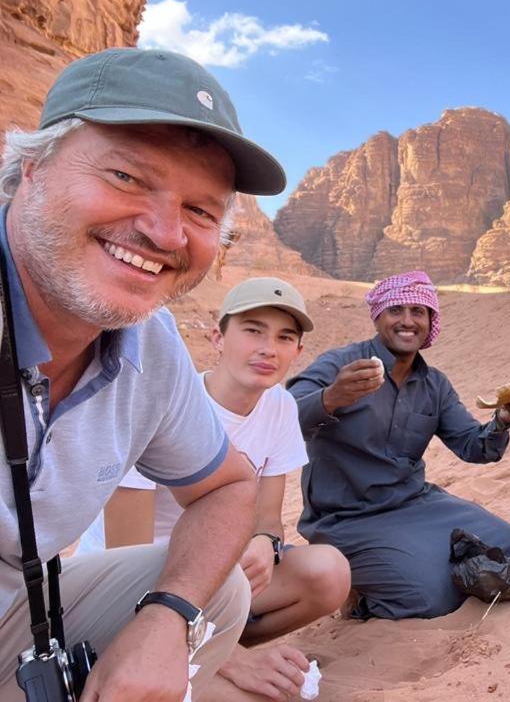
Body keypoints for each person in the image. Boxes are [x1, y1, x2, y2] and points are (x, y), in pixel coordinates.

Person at [0, 47, 286, 700]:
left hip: (20, 617)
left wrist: (169, 615)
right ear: (34, 167)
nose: (164, 232)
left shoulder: (147, 343)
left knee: (222, 593)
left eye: (201, 211)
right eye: (127, 177)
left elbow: (227, 488)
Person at [78, 277, 351, 702]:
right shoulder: (169, 402)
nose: (267, 348)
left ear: (298, 352)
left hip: (215, 568)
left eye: (284, 337)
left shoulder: (279, 405)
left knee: (329, 572)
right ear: (218, 337)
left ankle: (203, 652)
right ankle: (201, 655)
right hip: (138, 584)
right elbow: (125, 552)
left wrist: (264, 541)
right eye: (253, 330)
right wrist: (231, 659)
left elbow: (267, 517)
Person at [287, 270, 510, 620]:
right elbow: (282, 416)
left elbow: (474, 447)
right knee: (429, 598)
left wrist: (504, 421)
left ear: (429, 322)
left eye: (418, 312)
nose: (407, 321)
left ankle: (405, 560)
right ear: (378, 317)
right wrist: (330, 397)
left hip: (416, 503)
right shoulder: (340, 364)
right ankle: (359, 596)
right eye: (396, 311)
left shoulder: (434, 384)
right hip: (346, 517)